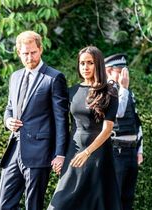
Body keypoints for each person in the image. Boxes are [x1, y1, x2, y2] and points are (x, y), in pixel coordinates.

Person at [0, 31, 69, 210]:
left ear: (41, 49)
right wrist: (8, 121)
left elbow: (61, 119)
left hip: (40, 152)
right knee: (3, 205)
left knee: (33, 206)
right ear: (18, 52)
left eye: (33, 52)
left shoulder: (54, 77)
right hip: (14, 149)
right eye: (25, 53)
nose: (29, 57)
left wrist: (60, 153)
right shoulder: (15, 77)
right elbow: (9, 108)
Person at [47, 46, 121, 210]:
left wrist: (87, 152)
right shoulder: (72, 91)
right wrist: (60, 154)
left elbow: (107, 129)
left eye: (90, 63)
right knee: (59, 204)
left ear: (98, 65)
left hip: (98, 153)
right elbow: (62, 124)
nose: (85, 67)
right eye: (82, 63)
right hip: (74, 151)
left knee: (95, 203)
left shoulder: (109, 92)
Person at [105, 53, 144, 210]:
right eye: (120, 70)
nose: (124, 74)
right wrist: (124, 88)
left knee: (128, 197)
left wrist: (139, 150)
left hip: (130, 152)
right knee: (115, 197)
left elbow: (136, 122)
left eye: (125, 70)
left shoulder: (128, 92)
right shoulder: (105, 90)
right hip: (116, 151)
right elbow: (117, 113)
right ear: (108, 70)